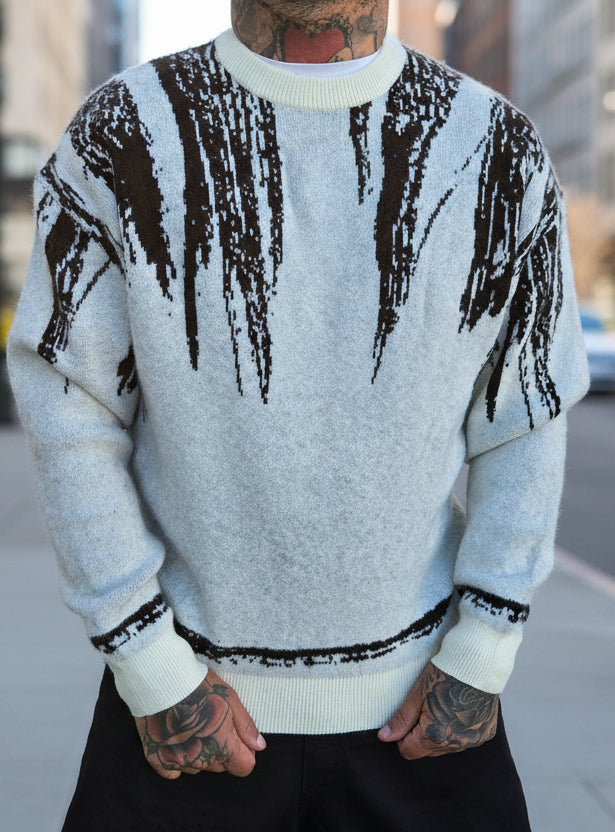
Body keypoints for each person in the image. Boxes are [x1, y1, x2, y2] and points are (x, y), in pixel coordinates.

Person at [6, 1, 590, 829]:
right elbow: (71, 401)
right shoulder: (122, 131)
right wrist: (146, 660)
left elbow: (525, 409)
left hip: (427, 723)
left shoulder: (496, 146)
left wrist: (483, 647)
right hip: (175, 721)